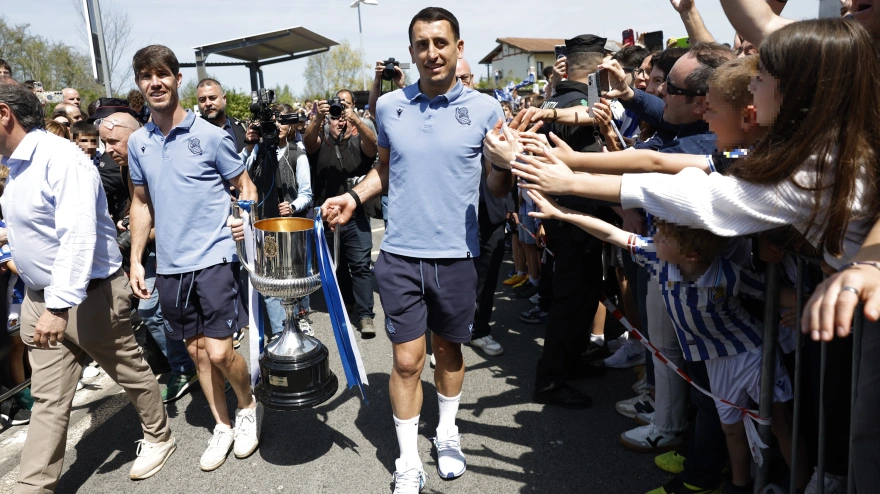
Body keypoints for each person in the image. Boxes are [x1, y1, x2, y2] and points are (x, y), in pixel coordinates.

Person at [515, 19, 880, 493]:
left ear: (800, 92)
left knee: (854, 444)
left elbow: (704, 198)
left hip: (859, 327)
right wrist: (571, 168)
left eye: (762, 78)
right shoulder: (815, 151)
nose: (751, 86)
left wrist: (569, 181)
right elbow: (666, 165)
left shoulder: (814, 170)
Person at [319, 7, 511, 492]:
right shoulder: (389, 108)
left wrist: (504, 166)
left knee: (448, 350)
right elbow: (385, 168)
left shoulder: (487, 109)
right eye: (422, 44)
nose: (432, 52)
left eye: (441, 42)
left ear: (459, 48)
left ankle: (447, 432)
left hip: (457, 255)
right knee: (406, 360)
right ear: (411, 52)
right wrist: (353, 195)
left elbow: (495, 186)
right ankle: (407, 458)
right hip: (401, 254)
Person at [527, 190, 809, 494]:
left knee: (782, 426)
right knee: (731, 430)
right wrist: (559, 212)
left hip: (752, 355)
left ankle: (802, 487)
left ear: (690, 253)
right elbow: (610, 232)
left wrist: (807, 303)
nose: (654, 236)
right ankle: (739, 487)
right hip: (716, 364)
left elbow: (775, 292)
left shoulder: (727, 274)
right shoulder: (659, 259)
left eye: (662, 235)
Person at [0, 79, 175, 492]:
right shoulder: (19, 163)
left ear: (3, 115)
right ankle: (33, 486)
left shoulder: (61, 159)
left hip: (88, 298)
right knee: (48, 401)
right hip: (44, 300)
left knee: (129, 371)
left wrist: (58, 308)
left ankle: (159, 435)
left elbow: (78, 236)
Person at [126, 44, 261, 472]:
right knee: (198, 353)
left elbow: (247, 187)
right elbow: (141, 204)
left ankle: (247, 404)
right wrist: (134, 260)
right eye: (147, 77)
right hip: (169, 266)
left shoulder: (211, 135)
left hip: (215, 257)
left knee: (221, 353)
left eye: (162, 74)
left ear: (177, 78)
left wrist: (242, 219)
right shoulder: (137, 142)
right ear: (139, 84)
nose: (155, 83)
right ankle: (221, 424)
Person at [99, 111, 199, 403]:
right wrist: (129, 222)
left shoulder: (159, 158)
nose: (107, 150)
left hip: (183, 248)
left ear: (136, 134)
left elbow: (177, 213)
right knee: (149, 310)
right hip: (151, 251)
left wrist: (137, 235)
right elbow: (140, 206)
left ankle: (210, 367)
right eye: (104, 142)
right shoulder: (125, 165)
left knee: (187, 313)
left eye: (114, 141)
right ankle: (184, 367)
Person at [304, 89, 378, 337]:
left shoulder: (358, 142)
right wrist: (317, 118)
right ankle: (347, 305)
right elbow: (307, 141)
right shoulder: (320, 144)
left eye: (343, 112)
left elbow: (374, 145)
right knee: (338, 266)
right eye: (335, 114)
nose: (339, 119)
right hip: (328, 219)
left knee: (361, 266)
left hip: (356, 217)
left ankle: (366, 315)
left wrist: (356, 119)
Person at [240, 102, 314, 337]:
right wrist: (250, 144)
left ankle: (301, 316)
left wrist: (292, 206)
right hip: (263, 226)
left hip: (292, 227)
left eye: (282, 121)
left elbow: (307, 194)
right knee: (271, 282)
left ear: (290, 125)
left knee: (296, 276)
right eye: (273, 121)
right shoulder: (258, 151)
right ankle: (280, 332)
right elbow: (240, 173)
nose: (277, 126)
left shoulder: (297, 153)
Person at [458, 58, 512, 358]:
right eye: (456, 79)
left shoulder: (490, 109)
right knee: (454, 277)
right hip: (455, 212)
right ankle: (448, 335)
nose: (461, 83)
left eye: (465, 77)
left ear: (473, 77)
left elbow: (507, 160)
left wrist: (511, 204)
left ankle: (479, 330)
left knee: (488, 274)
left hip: (491, 209)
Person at [196, 78, 248, 153]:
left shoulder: (242, 128)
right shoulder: (192, 132)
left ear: (224, 99)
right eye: (202, 99)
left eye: (212, 98)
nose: (208, 103)